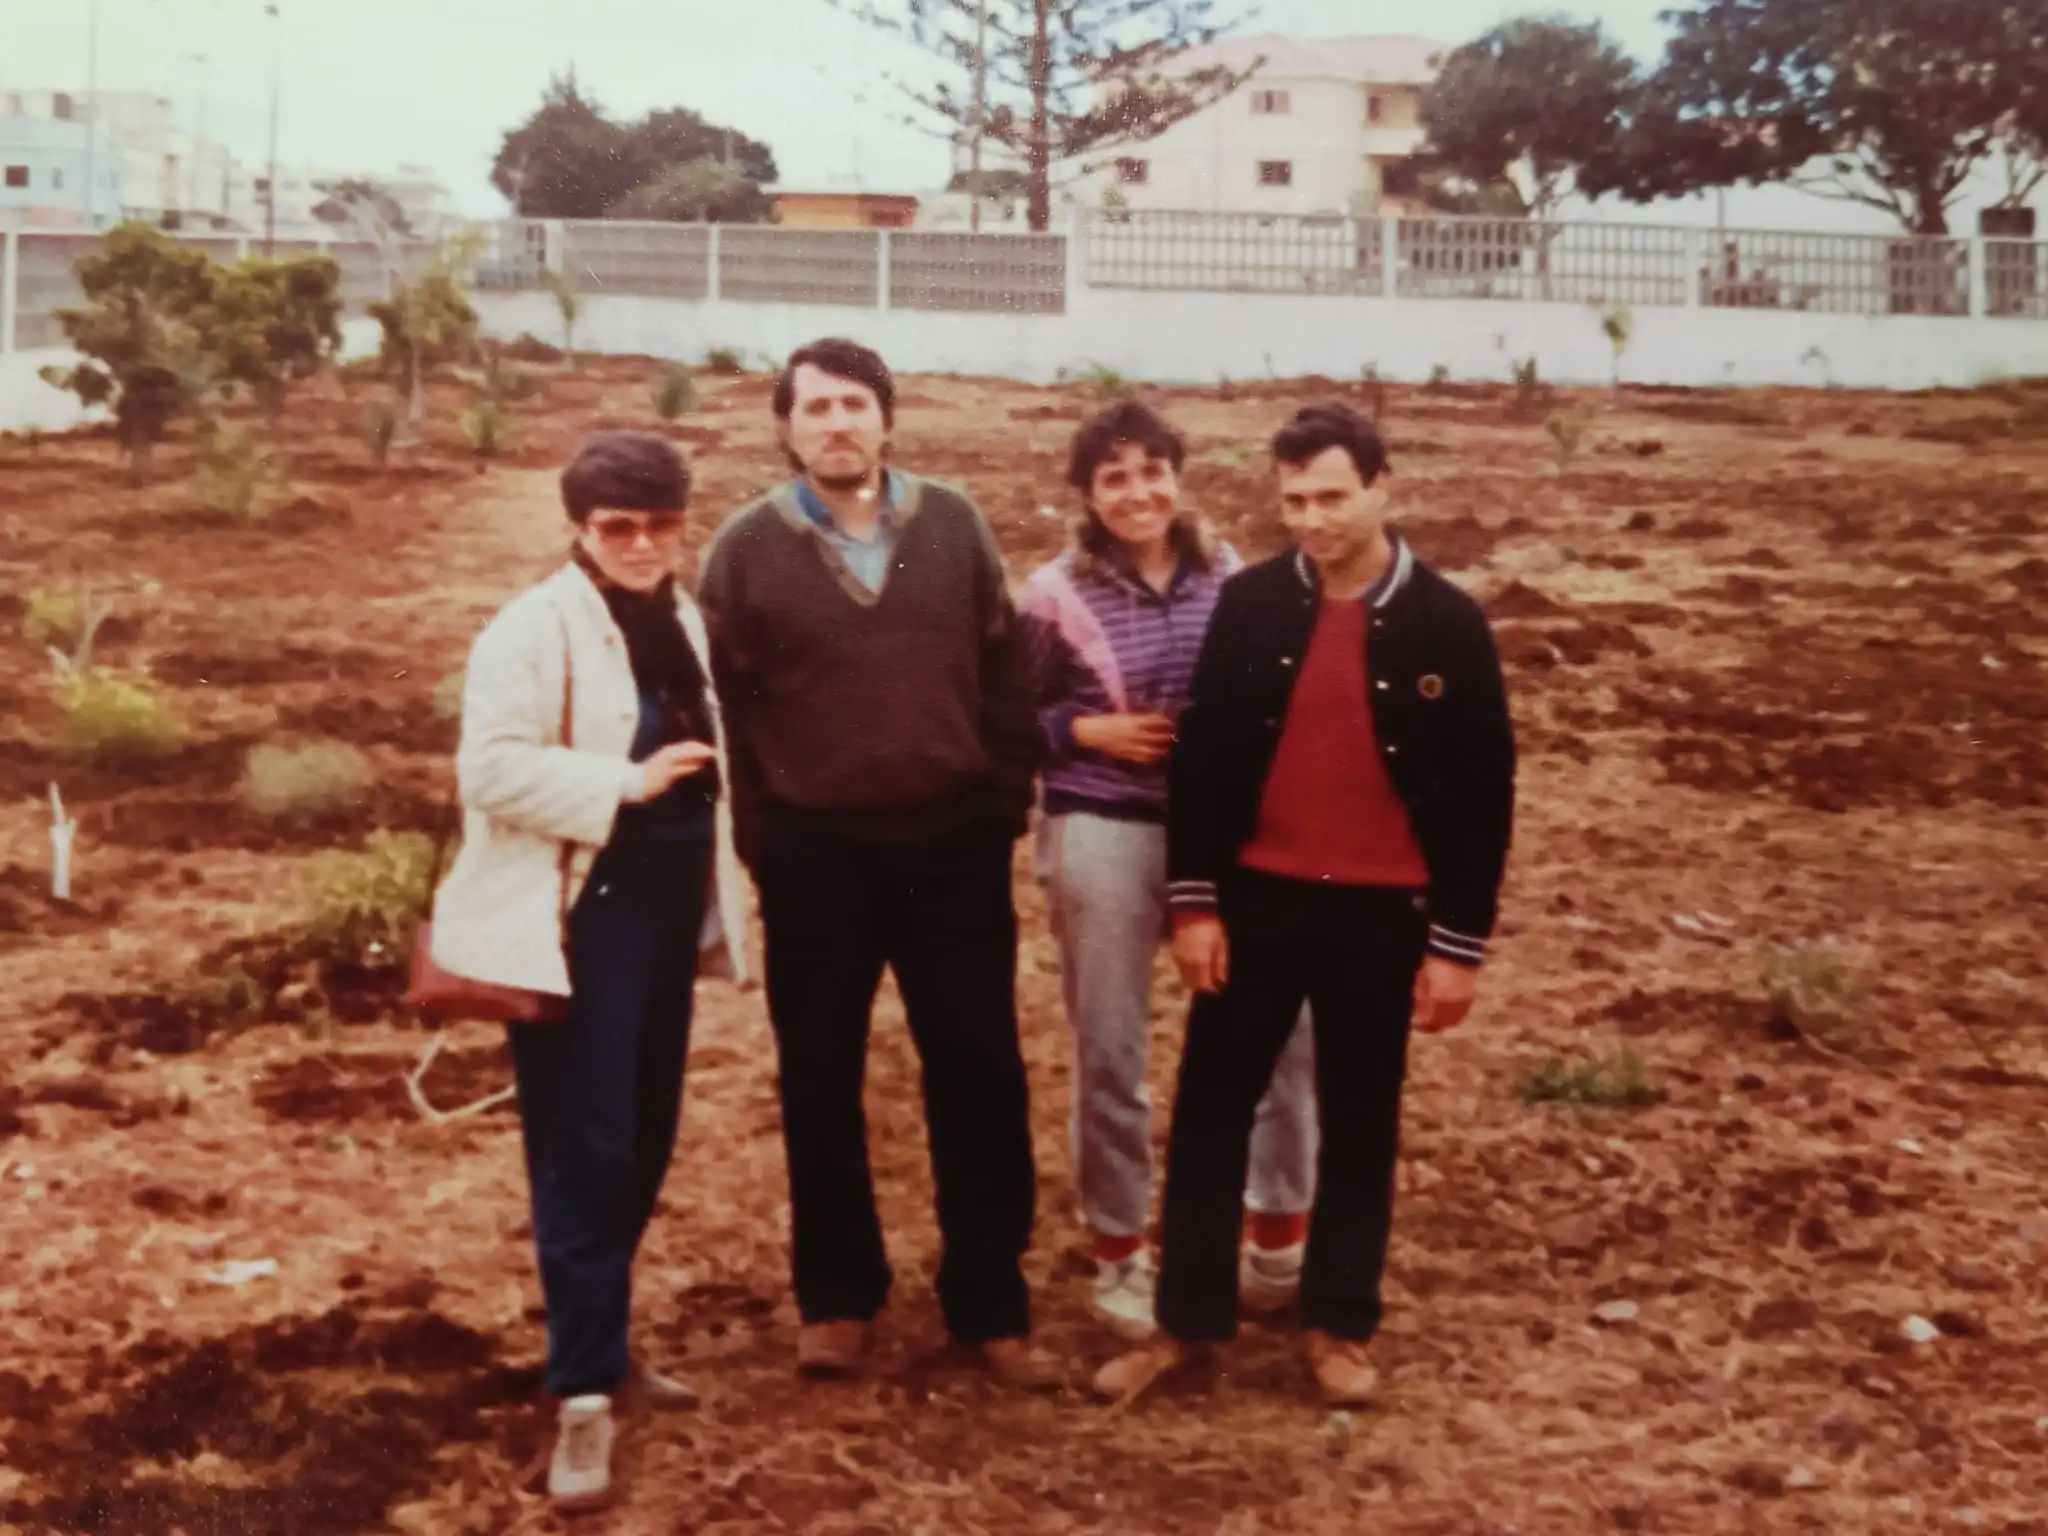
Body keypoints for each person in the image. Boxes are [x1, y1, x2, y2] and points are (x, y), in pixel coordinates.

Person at [1091, 401, 1516, 1407]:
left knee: (1359, 1118)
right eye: (1293, 502)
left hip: (1380, 913)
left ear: (1380, 487)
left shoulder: (1445, 624)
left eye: (1332, 496)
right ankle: (1186, 1325)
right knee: (1208, 1115)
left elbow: (1480, 793)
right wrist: (1195, 905)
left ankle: (1337, 1325)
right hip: (1259, 905)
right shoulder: (1249, 606)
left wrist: (1456, 944)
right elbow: (1202, 765)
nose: (1314, 520)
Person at [697, 337, 1055, 1389]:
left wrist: (999, 798)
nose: (836, 424)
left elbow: (1006, 667)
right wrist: (762, 837)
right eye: (814, 409)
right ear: (786, 427)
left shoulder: (953, 526)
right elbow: (725, 707)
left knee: (979, 1071)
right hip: (817, 859)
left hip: (950, 847)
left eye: (854, 404)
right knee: (818, 1079)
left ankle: (989, 1302)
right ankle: (837, 1299)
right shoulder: (744, 550)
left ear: (887, 419)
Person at [426, 431, 750, 1514]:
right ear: (579, 527)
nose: (644, 543)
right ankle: (577, 1400)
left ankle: (605, 1347)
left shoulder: (680, 619)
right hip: (576, 921)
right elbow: (488, 769)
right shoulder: (530, 627)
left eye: (663, 523)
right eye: (620, 526)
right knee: (582, 1144)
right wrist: (626, 780)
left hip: (660, 913)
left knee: (645, 1132)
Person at [1019, 399, 1319, 1341]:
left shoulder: (1234, 581)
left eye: (1154, 470)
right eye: (1114, 476)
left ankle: (1275, 1243)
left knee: (1279, 1034)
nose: (1138, 491)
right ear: (1086, 493)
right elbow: (998, 717)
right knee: (1111, 1049)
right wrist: (1083, 729)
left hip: (1228, 832)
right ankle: (1120, 1252)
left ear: (1178, 478)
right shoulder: (1052, 596)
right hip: (1104, 825)